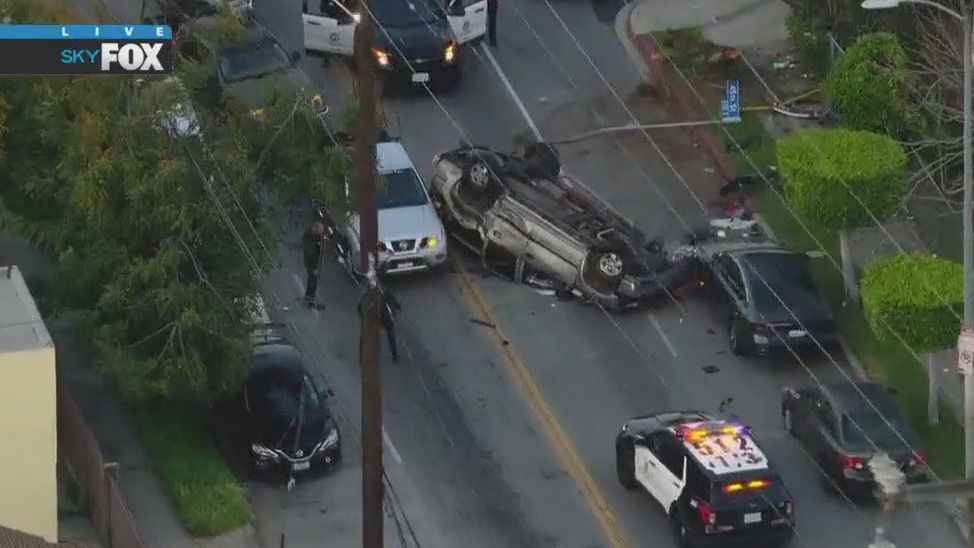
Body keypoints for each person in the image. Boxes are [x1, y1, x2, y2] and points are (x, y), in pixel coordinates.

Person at [358, 283, 403, 362]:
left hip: (385, 317)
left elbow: (392, 299)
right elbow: (360, 306)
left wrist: (397, 307)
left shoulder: (384, 292)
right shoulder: (367, 296)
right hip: (375, 318)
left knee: (391, 336)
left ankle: (395, 355)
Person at [302, 211, 329, 309]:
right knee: (312, 280)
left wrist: (322, 239)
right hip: (311, 262)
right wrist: (314, 267)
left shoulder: (314, 235)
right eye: (317, 226)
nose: (319, 228)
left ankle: (309, 297)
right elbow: (311, 252)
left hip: (314, 261)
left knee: (313, 281)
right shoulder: (309, 236)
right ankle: (310, 299)